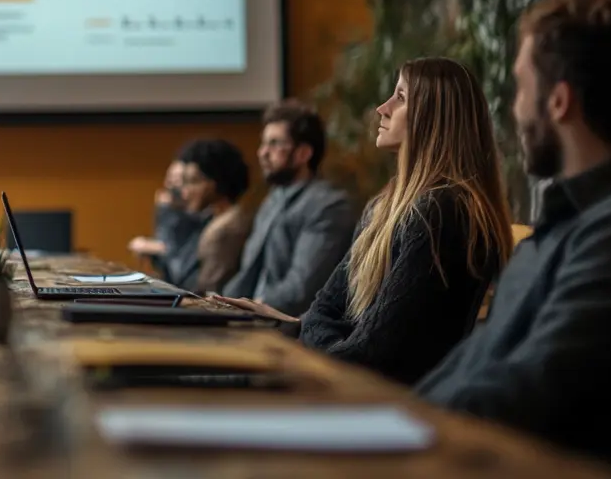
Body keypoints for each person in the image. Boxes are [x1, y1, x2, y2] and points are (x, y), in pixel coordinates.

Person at [413, 0, 611, 471]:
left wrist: (384, 428)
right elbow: (468, 370)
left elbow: (531, 394)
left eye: (522, 88)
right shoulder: (567, 226)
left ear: (559, 102)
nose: (517, 111)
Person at [219, 58, 514, 385]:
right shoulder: (384, 208)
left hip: (375, 403)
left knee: (197, 380)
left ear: (434, 119)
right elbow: (325, 309)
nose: (381, 108)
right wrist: (300, 327)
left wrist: (302, 332)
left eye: (400, 98)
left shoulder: (442, 213)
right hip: (341, 381)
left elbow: (367, 355)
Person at [216, 100, 356, 317]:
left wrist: (254, 306)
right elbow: (248, 275)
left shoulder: (328, 206)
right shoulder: (272, 200)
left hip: (287, 327)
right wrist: (219, 303)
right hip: (252, 319)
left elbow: (301, 289)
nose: (262, 153)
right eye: (263, 143)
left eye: (274, 144)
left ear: (303, 154)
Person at [129, 141, 251, 290]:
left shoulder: (225, 228)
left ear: (213, 184)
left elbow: (196, 288)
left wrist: (167, 213)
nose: (185, 192)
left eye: (193, 182)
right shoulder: (211, 218)